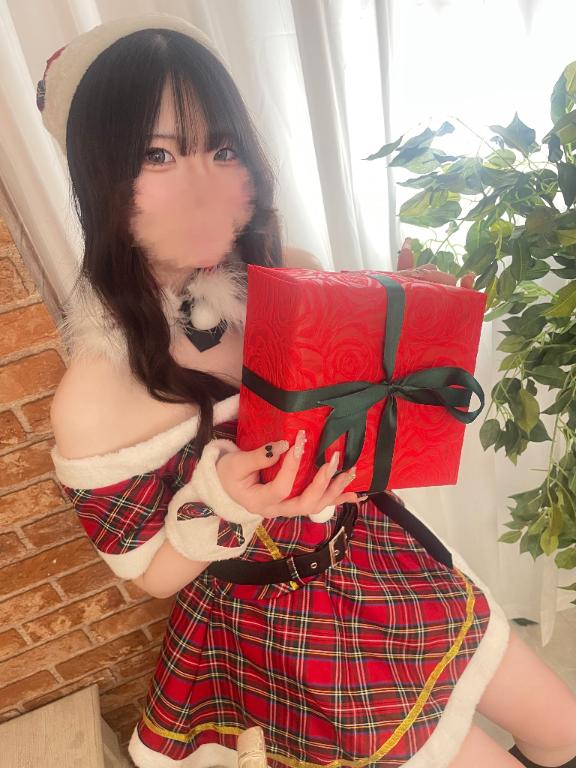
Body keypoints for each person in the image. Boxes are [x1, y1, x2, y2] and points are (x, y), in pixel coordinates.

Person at [38, 13, 576, 768]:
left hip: (379, 554)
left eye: (221, 148)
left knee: (564, 728)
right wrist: (226, 499)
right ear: (101, 172)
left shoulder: (287, 271)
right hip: (288, 625)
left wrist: (405, 317)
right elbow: (151, 576)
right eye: (158, 154)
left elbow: (363, 420)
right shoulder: (95, 392)